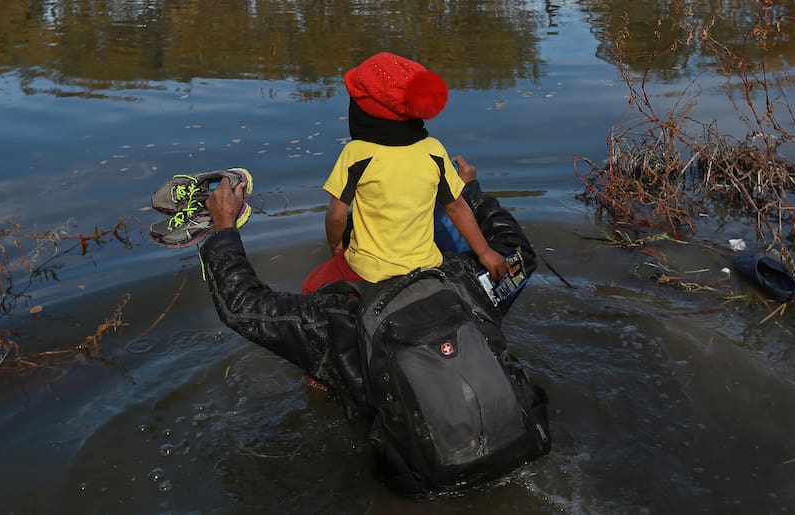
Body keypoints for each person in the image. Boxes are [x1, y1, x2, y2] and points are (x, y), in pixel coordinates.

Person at [198, 157, 550, 495]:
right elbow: (519, 251)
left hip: (426, 481)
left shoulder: (336, 316)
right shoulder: (467, 279)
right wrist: (470, 190)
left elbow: (242, 306)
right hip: (519, 448)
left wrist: (224, 228)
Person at [302, 52, 508, 294]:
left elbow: (337, 216)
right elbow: (456, 207)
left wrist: (336, 247)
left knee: (311, 286)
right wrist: (485, 253)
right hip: (425, 266)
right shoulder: (434, 150)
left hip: (368, 270)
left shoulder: (357, 153)